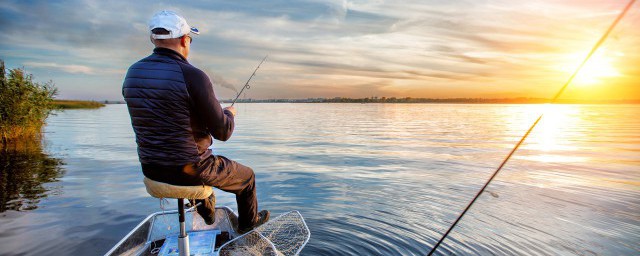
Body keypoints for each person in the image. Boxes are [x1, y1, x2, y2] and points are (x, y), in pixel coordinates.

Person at [122, 10, 269, 233]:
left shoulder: (132, 73)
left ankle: (206, 207)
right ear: (184, 40)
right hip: (190, 170)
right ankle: (247, 226)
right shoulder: (193, 75)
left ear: (154, 39)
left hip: (151, 169)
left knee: (199, 165)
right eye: (190, 39)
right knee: (247, 177)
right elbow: (223, 132)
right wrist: (229, 114)